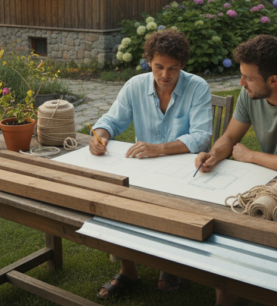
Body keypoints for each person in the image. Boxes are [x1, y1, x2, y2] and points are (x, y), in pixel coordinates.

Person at [194, 34, 277, 306]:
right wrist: (214, 155)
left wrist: (251, 155)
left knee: (241, 225)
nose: (241, 82)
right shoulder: (251, 95)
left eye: (248, 77)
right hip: (269, 181)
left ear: (273, 80)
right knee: (226, 220)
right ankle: (228, 295)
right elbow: (230, 138)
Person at [90, 29, 213, 300]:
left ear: (182, 65)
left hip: (185, 173)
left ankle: (169, 266)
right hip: (143, 170)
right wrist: (99, 137)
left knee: (174, 210)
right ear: (149, 61)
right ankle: (128, 269)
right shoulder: (135, 85)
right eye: (159, 67)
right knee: (117, 201)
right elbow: (110, 121)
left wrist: (159, 149)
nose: (165, 75)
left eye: (173, 68)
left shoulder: (197, 87)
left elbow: (202, 137)